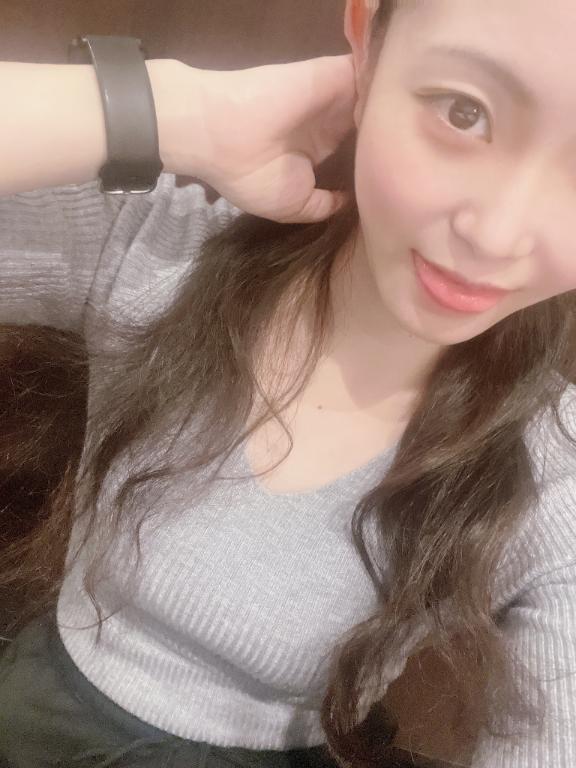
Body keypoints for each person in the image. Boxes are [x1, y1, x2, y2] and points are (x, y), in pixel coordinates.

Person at [0, 0, 574, 766]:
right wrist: (180, 110)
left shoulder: (555, 471)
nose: (497, 236)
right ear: (367, 47)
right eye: (463, 111)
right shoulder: (154, 254)